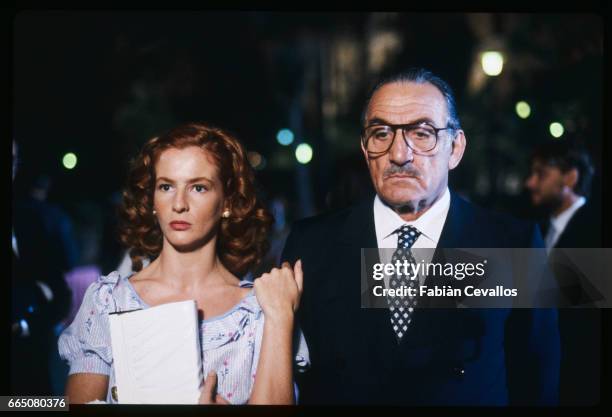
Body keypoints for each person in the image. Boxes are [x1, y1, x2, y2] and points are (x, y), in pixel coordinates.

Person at [281, 68, 560, 405]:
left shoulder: (512, 244)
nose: (399, 154)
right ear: (365, 148)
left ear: (455, 148)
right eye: (381, 133)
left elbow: (537, 380)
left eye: (423, 133)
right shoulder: (310, 246)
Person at [58, 123, 309, 404]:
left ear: (226, 201)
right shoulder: (108, 301)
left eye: (198, 188)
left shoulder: (259, 312)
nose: (179, 203)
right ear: (152, 198)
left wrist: (279, 316)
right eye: (166, 186)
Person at [525, 141, 601, 405]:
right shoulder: (537, 228)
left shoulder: (596, 231)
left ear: (570, 177)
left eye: (541, 174)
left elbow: (580, 319)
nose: (531, 183)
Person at [11, 139, 72, 395]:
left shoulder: (31, 220)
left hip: (29, 380)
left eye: (13, 159)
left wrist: (26, 321)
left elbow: (59, 289)